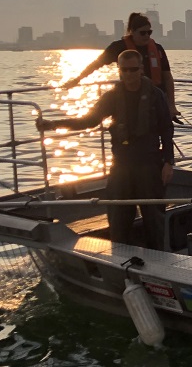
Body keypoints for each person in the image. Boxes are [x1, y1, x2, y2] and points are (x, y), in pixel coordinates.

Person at [37, 49, 175, 250]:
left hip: (149, 165)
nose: (129, 74)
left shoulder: (156, 96)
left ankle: (158, 264)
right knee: (118, 219)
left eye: (133, 69)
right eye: (124, 70)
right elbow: (88, 121)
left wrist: (168, 163)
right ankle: (120, 263)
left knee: (154, 219)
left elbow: (166, 129)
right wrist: (52, 124)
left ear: (141, 70)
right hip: (121, 165)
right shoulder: (112, 97)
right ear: (119, 70)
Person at [63, 12, 179, 120]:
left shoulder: (157, 49)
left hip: (156, 100)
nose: (146, 36)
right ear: (132, 32)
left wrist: (171, 105)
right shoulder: (118, 47)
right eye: (142, 33)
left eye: (149, 32)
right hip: (131, 100)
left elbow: (167, 77)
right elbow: (95, 65)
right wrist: (77, 80)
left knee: (163, 132)